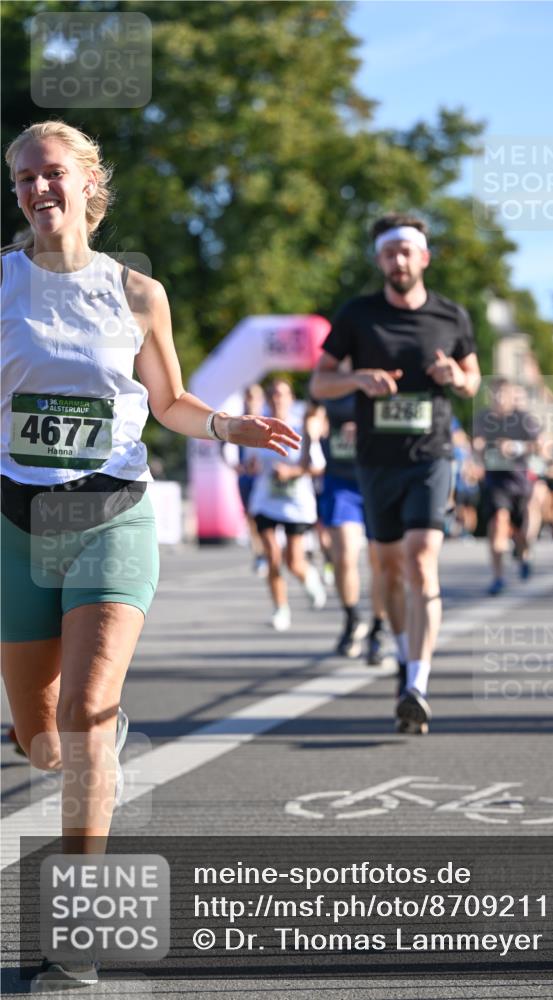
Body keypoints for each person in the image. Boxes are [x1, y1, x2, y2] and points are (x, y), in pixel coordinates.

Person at [1, 121, 300, 988]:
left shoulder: (136, 293)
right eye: (22, 179)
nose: (35, 190)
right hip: (19, 523)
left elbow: (165, 400)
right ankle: (83, 747)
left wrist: (223, 424)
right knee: (38, 737)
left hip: (110, 515)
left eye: (51, 173)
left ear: (89, 183)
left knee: (89, 711)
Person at [310, 213, 480, 734]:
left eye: (408, 251)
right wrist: (358, 377)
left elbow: (473, 381)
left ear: (424, 257)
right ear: (380, 259)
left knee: (421, 559)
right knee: (386, 570)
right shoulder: (358, 315)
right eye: (389, 253)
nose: (399, 261)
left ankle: (418, 683)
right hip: (376, 463)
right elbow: (320, 383)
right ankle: (407, 660)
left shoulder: (452, 317)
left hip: (431, 457)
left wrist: (457, 376)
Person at [306, 394, 388, 661]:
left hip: (377, 478)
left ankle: (378, 627)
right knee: (344, 555)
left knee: (380, 561)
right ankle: (353, 618)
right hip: (341, 481)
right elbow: (313, 411)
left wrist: (367, 427)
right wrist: (312, 436)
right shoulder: (328, 374)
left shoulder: (378, 365)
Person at [249, 377, 327, 630]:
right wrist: (250, 467)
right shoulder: (257, 426)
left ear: (291, 399)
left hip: (296, 504)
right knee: (272, 555)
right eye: (272, 393)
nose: (276, 398)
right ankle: (280, 608)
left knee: (294, 561)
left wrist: (291, 473)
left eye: (282, 394)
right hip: (266, 501)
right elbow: (251, 462)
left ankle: (309, 578)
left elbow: (318, 466)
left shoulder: (301, 428)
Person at [473, 379, 540, 595]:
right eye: (495, 394)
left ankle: (522, 555)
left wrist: (515, 446)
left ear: (511, 396)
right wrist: (478, 450)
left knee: (520, 532)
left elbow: (541, 446)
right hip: (495, 481)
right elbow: (476, 443)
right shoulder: (484, 418)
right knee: (498, 522)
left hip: (519, 482)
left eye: (503, 394)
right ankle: (498, 577)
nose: (498, 399)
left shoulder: (523, 419)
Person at [235, 383, 269, 576]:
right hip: (246, 478)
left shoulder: (267, 420)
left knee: (263, 516)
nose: (251, 401)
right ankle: (259, 554)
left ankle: (268, 552)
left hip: (264, 478)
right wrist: (235, 466)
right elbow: (224, 447)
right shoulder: (238, 420)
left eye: (255, 397)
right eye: (248, 396)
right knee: (250, 517)